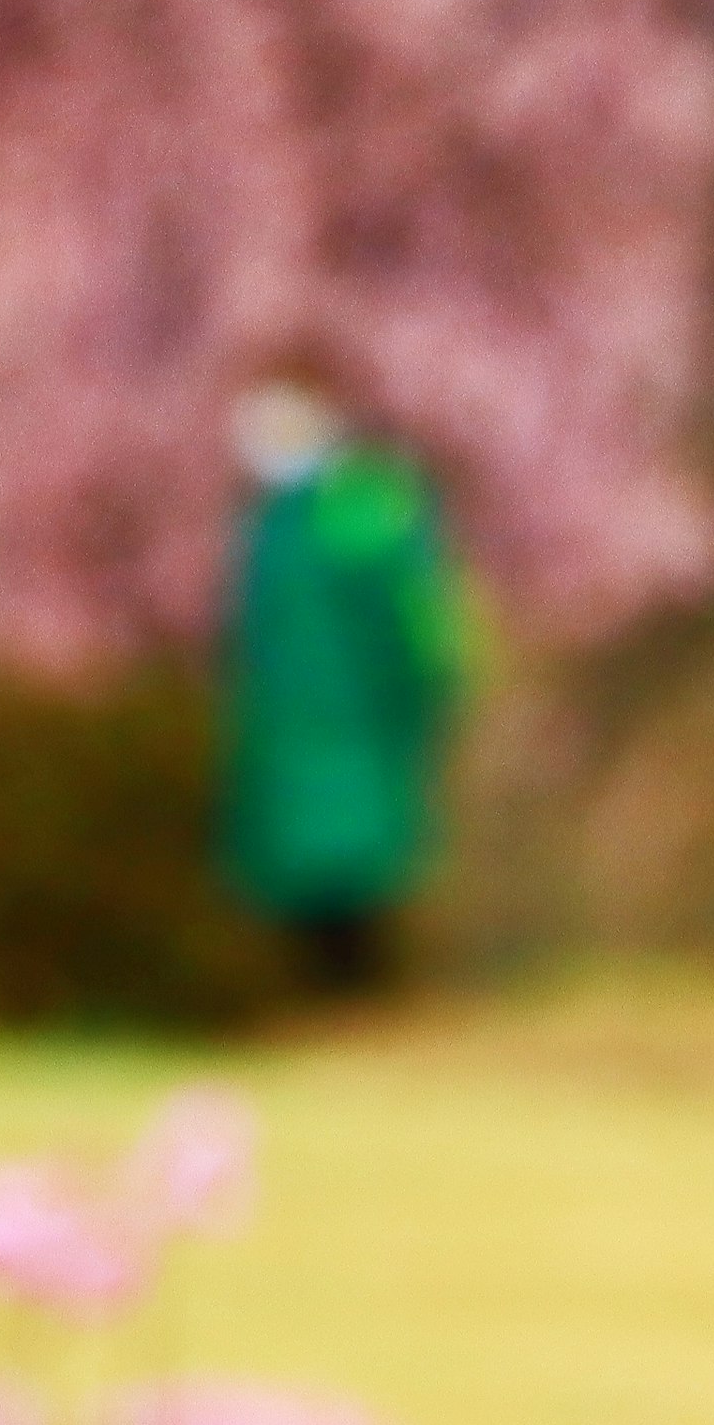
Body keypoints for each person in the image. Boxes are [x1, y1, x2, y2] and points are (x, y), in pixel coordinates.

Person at [216, 384, 464, 997]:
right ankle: (330, 1002)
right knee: (320, 877)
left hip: (353, 727)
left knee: (354, 874)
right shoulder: (278, 522)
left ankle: (357, 1000)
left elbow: (413, 626)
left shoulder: (361, 513)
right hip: (302, 730)